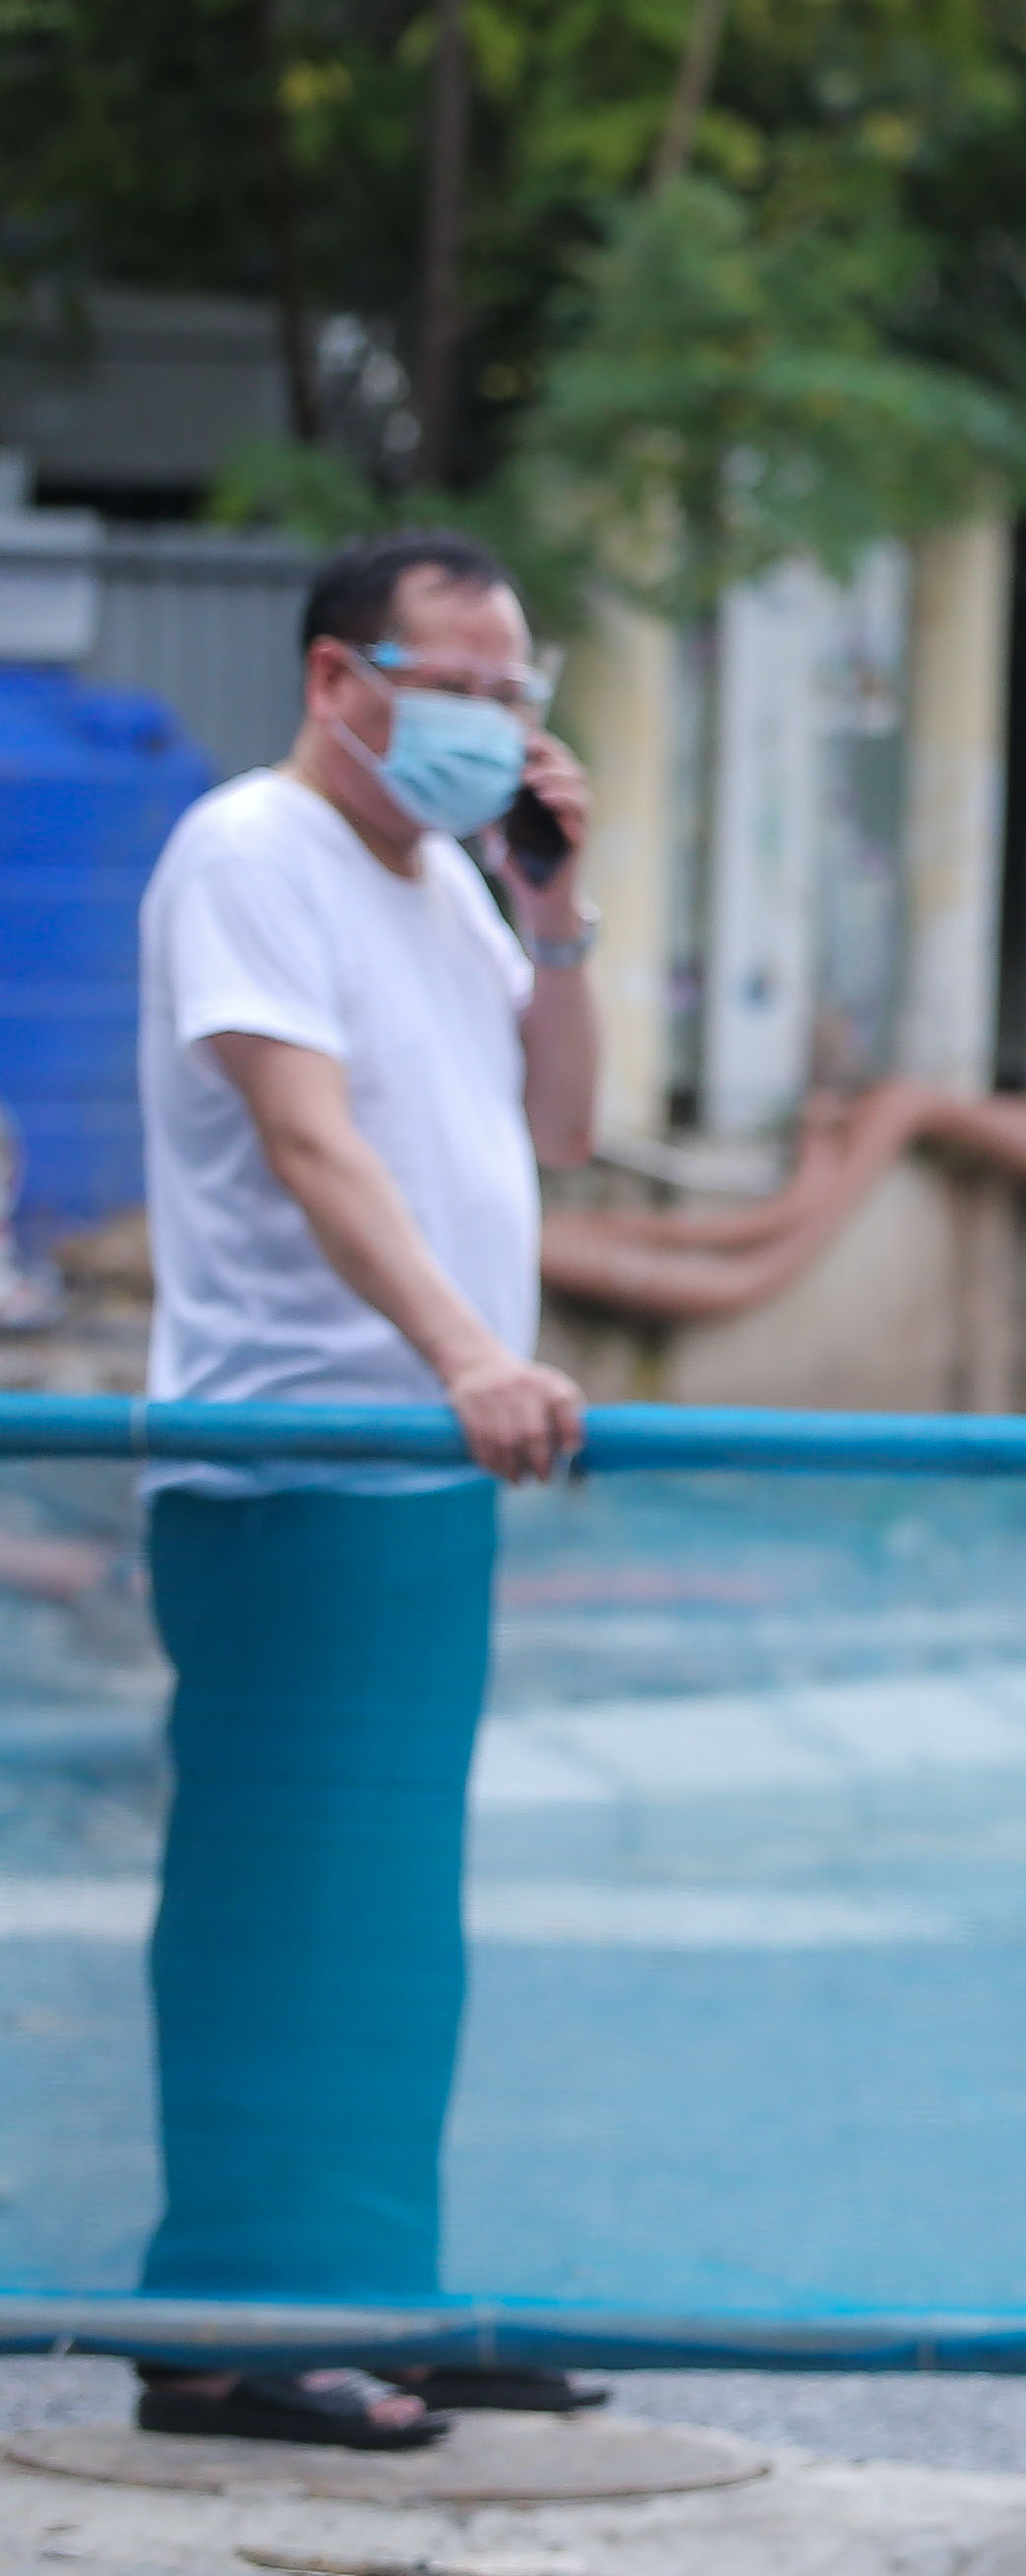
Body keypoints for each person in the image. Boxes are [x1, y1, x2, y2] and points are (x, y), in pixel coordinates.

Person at [122, 527, 607, 2451]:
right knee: (277, 1894)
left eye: (517, 690)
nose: (496, 721)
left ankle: (374, 2285)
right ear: (344, 679)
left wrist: (556, 916)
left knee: (395, 1907)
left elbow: (558, 1122)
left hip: (420, 1475)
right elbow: (309, 1143)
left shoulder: (448, 887)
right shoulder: (253, 848)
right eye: (462, 685)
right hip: (295, 1451)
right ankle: (228, 2319)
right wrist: (465, 1356)